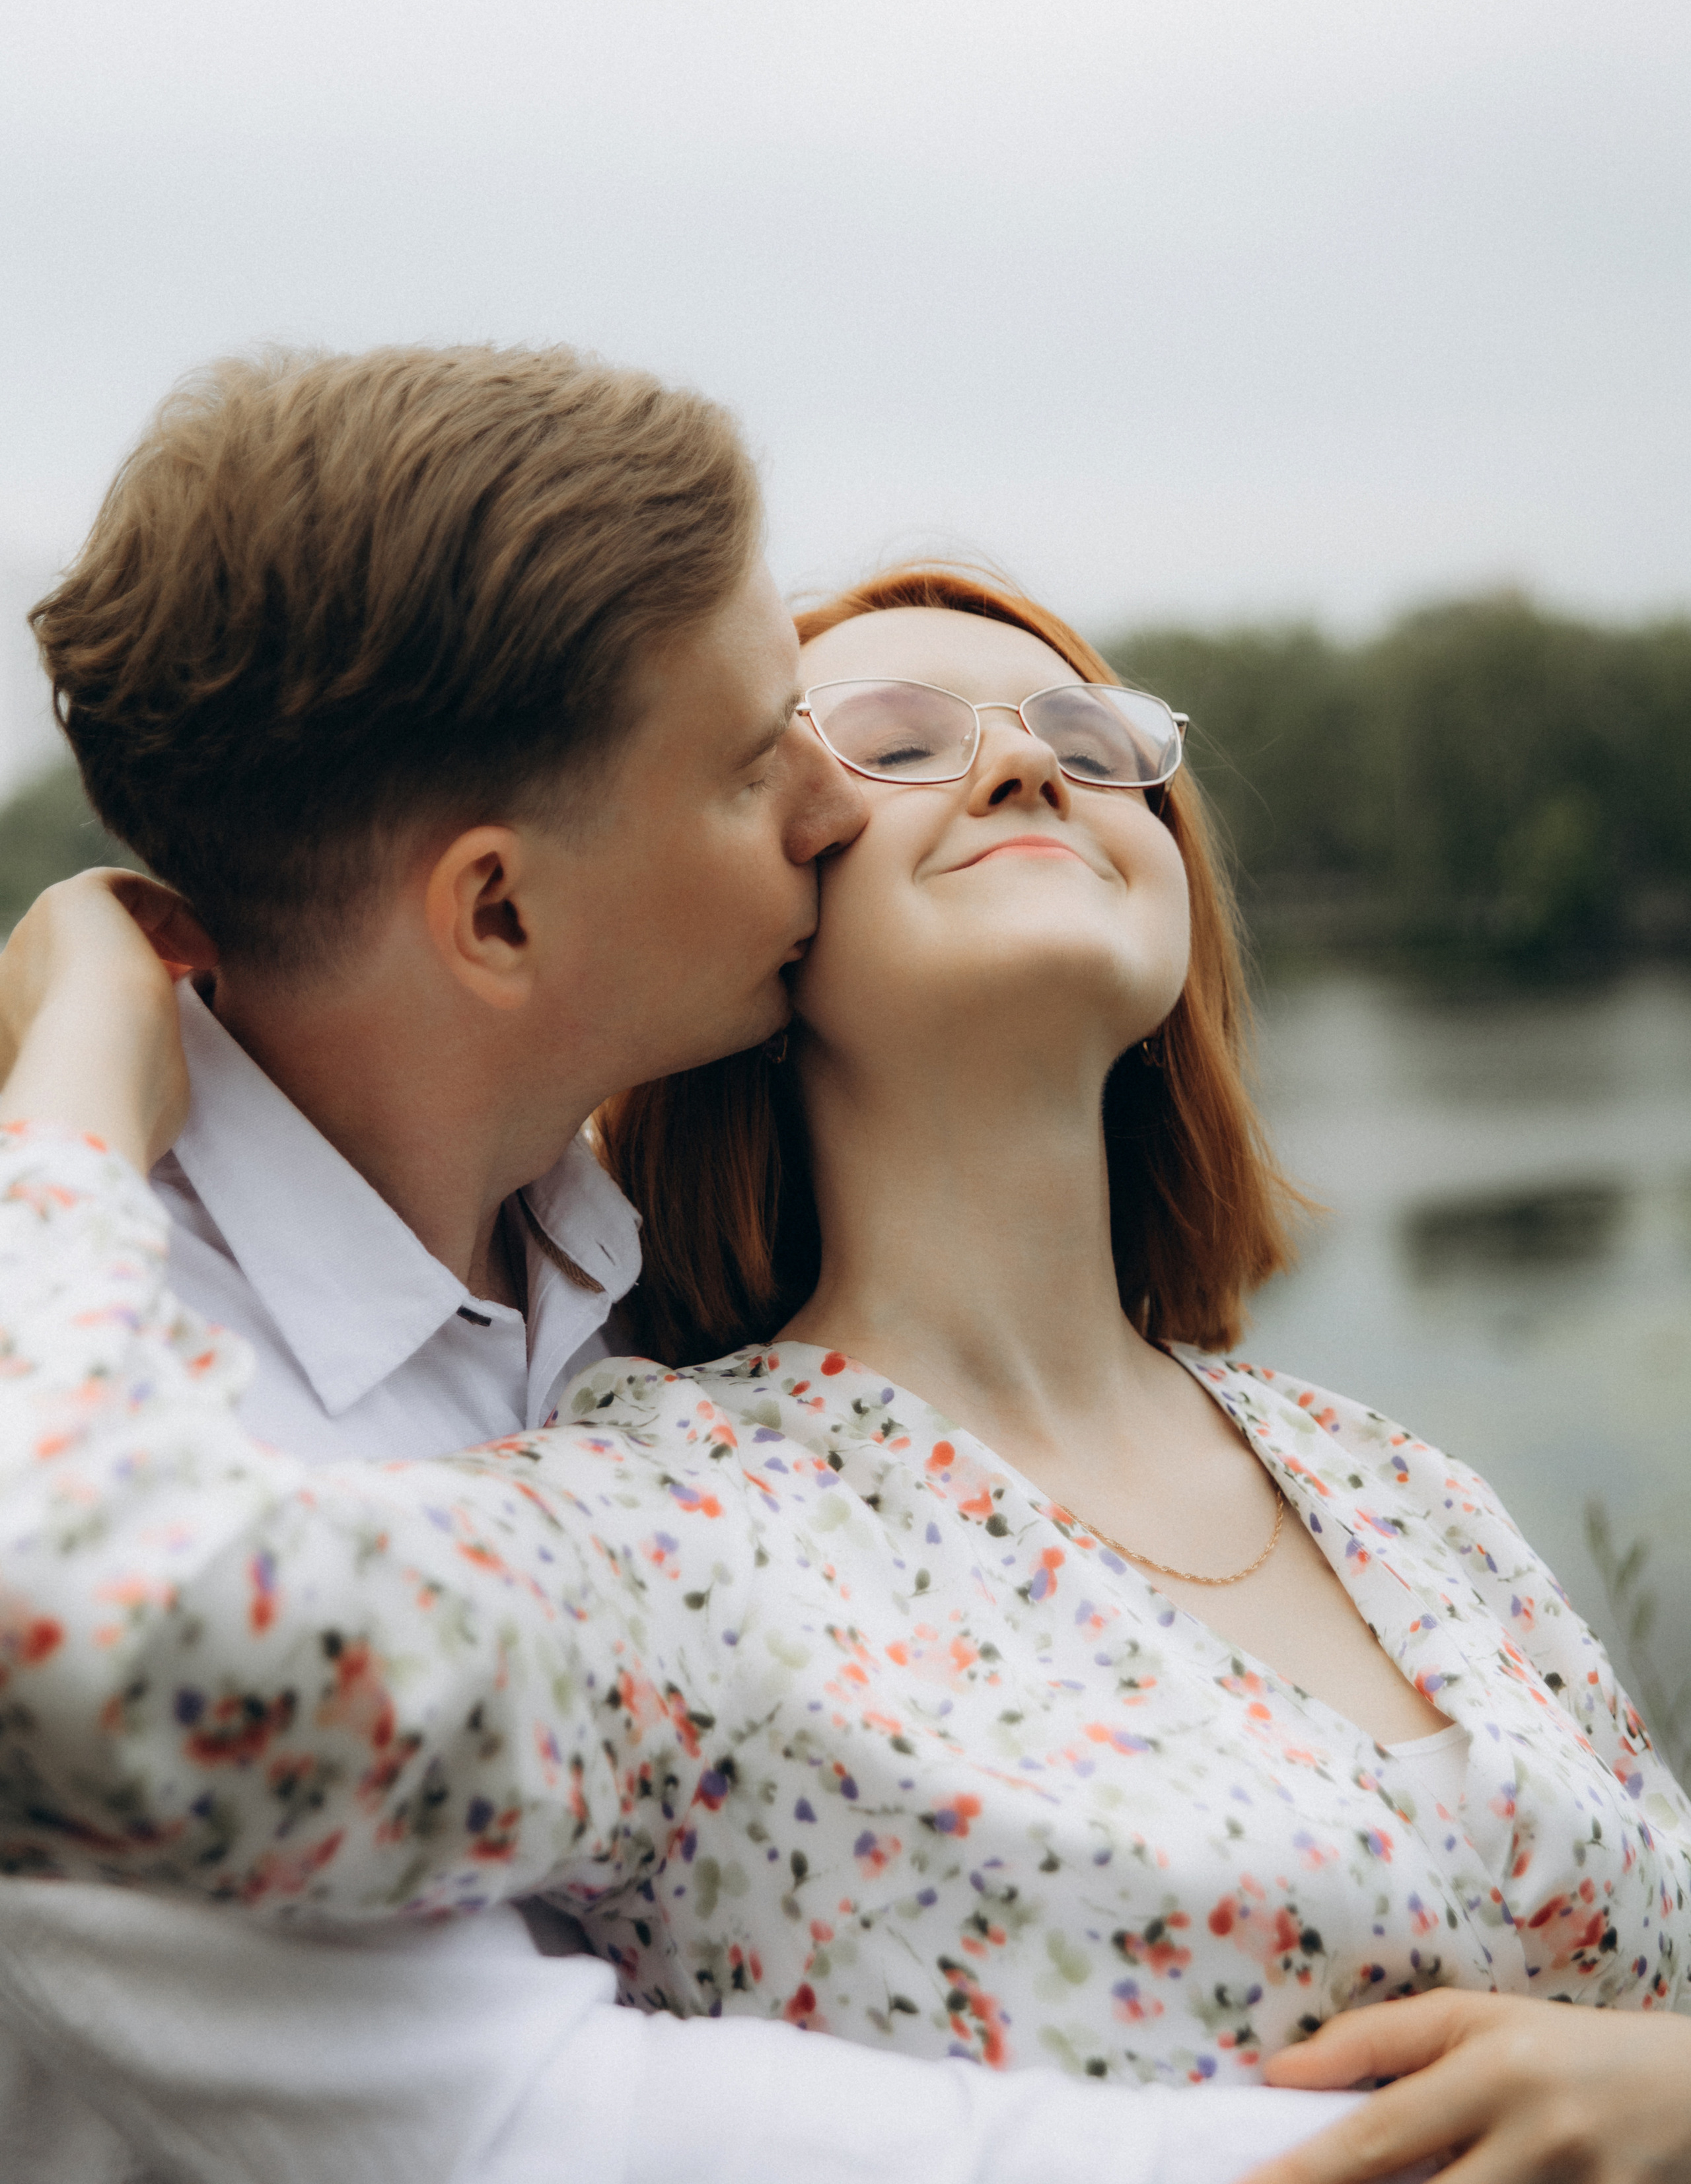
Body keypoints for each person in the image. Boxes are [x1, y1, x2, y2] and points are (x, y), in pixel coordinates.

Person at [4, 565, 1690, 2183]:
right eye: (888, 742)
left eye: (1088, 739)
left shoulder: (1396, 1489)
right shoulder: (670, 1529)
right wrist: (74, 1094)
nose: (1026, 759)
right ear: (755, 896)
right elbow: (92, 1648)